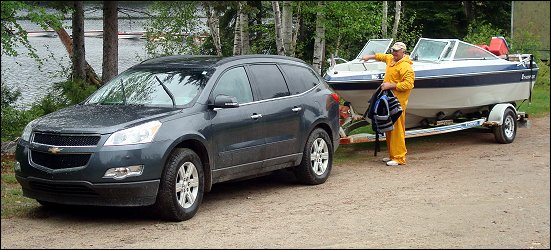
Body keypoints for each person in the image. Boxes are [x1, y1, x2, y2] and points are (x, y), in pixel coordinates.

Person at [361, 42, 415, 166]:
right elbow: (381, 56)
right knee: (388, 127)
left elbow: (409, 84)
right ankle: (392, 155)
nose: (394, 53)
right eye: (393, 50)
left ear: (403, 52)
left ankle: (399, 158)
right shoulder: (391, 59)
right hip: (388, 101)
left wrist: (390, 85)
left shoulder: (406, 67)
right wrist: (368, 57)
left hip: (397, 103)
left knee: (397, 130)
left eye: (396, 51)